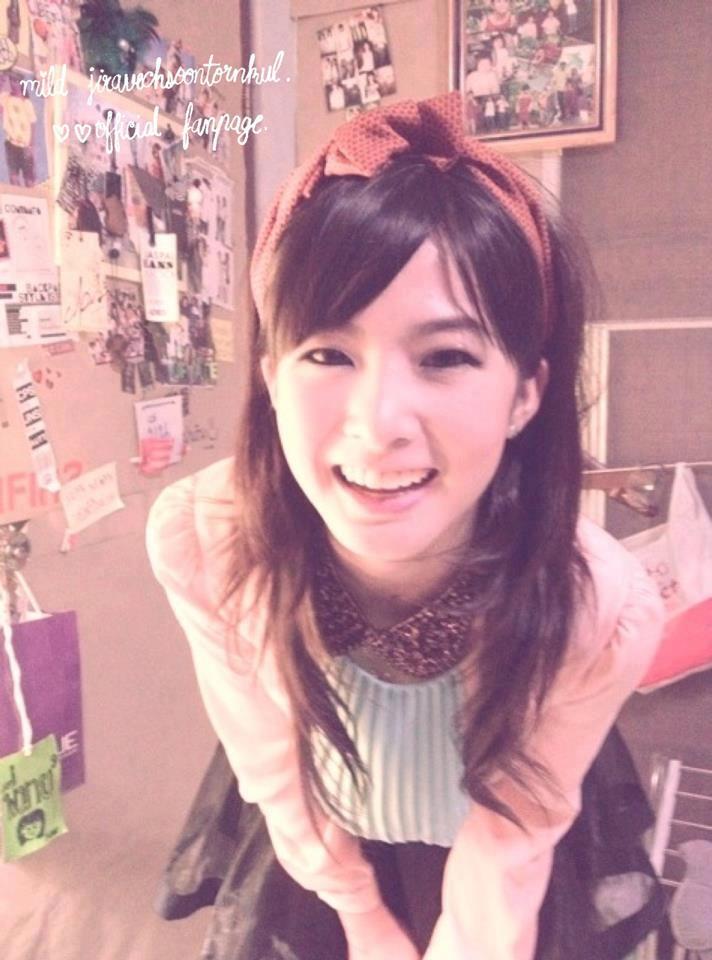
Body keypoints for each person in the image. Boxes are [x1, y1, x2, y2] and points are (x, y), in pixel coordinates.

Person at [146, 93, 663, 960]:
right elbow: (268, 755)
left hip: (501, 864)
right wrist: (364, 919)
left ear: (525, 394)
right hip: (318, 847)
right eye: (328, 353)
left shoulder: (598, 606)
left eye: (446, 356)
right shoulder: (209, 540)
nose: (377, 424)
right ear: (271, 377)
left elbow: (508, 843)